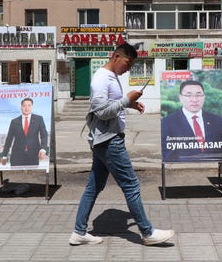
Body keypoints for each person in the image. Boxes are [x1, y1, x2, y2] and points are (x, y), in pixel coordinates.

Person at [70, 42, 175, 246]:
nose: (128, 68)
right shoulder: (101, 79)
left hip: (104, 139)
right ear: (116, 57)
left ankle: (79, 232)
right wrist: (126, 100)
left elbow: (110, 107)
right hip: (109, 140)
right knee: (131, 184)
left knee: (94, 186)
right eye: (128, 63)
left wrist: (130, 104)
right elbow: (100, 111)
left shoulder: (111, 77)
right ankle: (147, 232)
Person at [161, 80, 222, 162]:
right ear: (180, 98)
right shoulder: (167, 123)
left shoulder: (217, 120)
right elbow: (168, 154)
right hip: (183, 167)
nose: (194, 99)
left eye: (198, 95)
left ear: (204, 97)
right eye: (188, 95)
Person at [2, 97, 48, 166]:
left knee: (32, 175)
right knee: (17, 175)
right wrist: (4, 155)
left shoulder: (39, 119)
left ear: (32, 106)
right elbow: (9, 139)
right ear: (21, 107)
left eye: (29, 105)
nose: (26, 108)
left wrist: (43, 149)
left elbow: (44, 135)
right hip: (17, 156)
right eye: (24, 106)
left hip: (33, 155)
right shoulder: (14, 121)